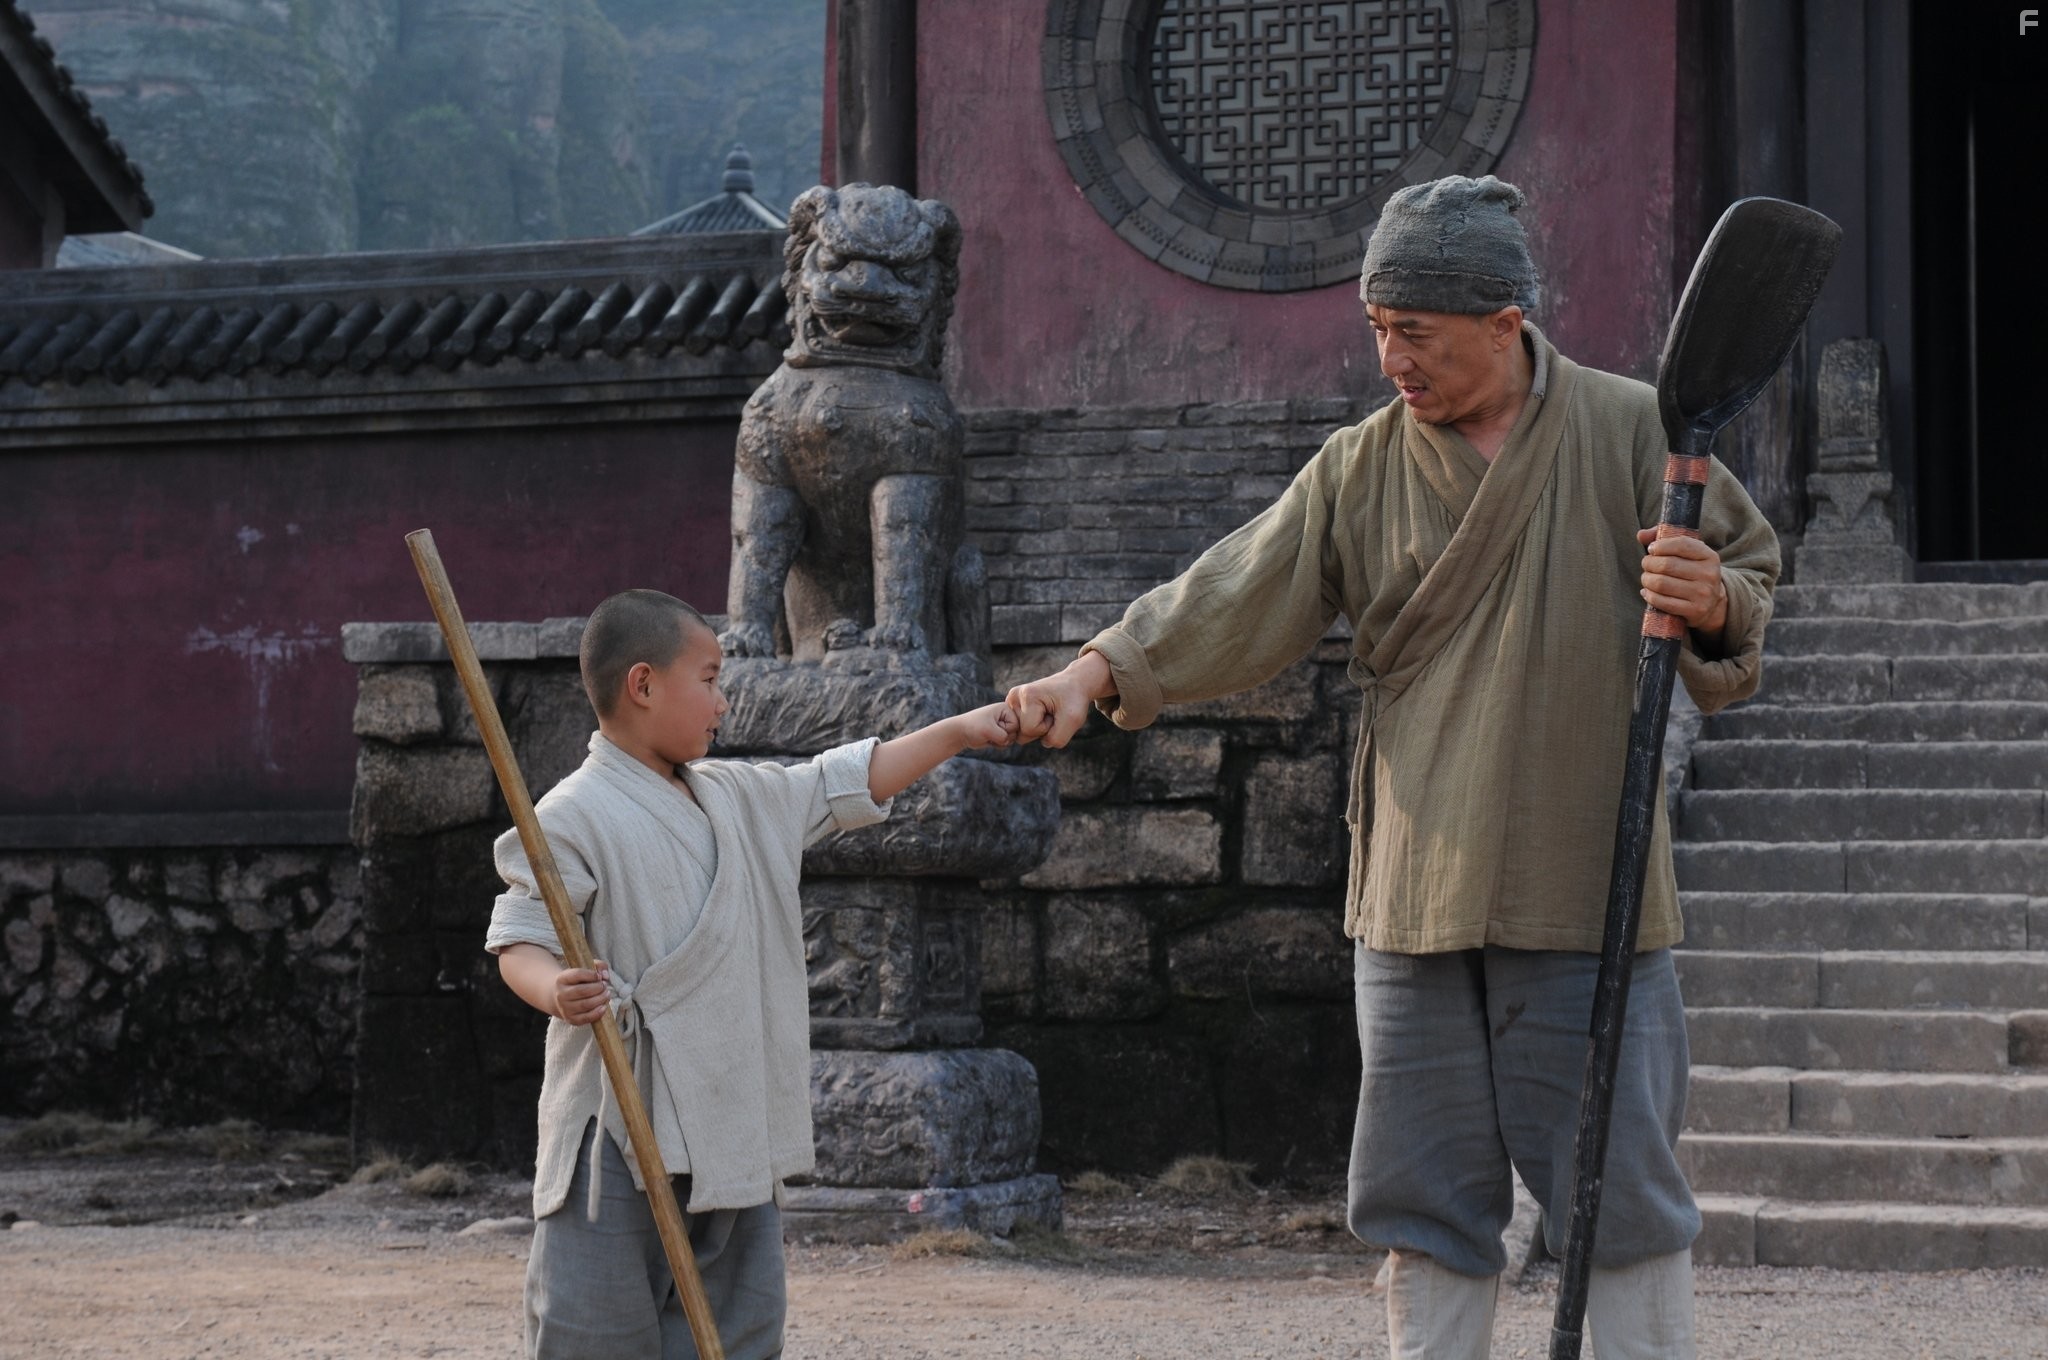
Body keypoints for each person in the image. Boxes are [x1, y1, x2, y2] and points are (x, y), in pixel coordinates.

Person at [1007, 176, 1778, 1359]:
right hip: (1413, 888)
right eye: (1375, 330)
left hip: (1580, 878)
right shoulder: (1359, 467)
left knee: (1615, 1184)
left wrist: (1712, 595)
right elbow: (1231, 586)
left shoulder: (1635, 430)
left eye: (1410, 333)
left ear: (1501, 320)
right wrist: (1092, 673)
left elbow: (1743, 578)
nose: (1388, 361)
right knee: (1420, 1188)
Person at [485, 588, 1015, 1359]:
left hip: (731, 1114)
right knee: (596, 1331)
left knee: (737, 1330)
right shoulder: (571, 815)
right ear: (642, 685)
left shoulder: (737, 797)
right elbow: (521, 938)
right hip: (619, 1122)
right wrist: (554, 990)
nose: (723, 703)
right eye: (707, 680)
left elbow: (847, 778)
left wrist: (962, 730)